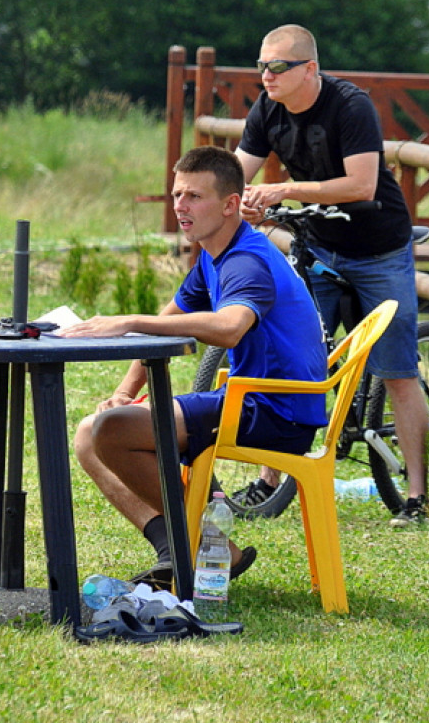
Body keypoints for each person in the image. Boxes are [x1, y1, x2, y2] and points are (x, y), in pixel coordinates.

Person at [65, 145, 327, 590]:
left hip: (277, 411)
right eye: (176, 195)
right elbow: (170, 319)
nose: (180, 207)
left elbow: (228, 328)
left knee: (109, 431)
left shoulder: (246, 260)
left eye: (194, 197)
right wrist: (127, 391)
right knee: (90, 435)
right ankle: (184, 551)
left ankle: (212, 546)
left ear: (229, 205)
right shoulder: (214, 253)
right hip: (251, 398)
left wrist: (130, 320)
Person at [235, 23, 429, 525]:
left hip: (378, 248)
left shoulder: (350, 105)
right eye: (261, 65)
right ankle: (268, 480)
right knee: (289, 357)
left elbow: (362, 185)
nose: (267, 75)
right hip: (319, 245)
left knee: (397, 370)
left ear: (310, 69)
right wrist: (237, 203)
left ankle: (416, 497)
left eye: (278, 66)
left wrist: (281, 192)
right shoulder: (267, 109)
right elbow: (236, 173)